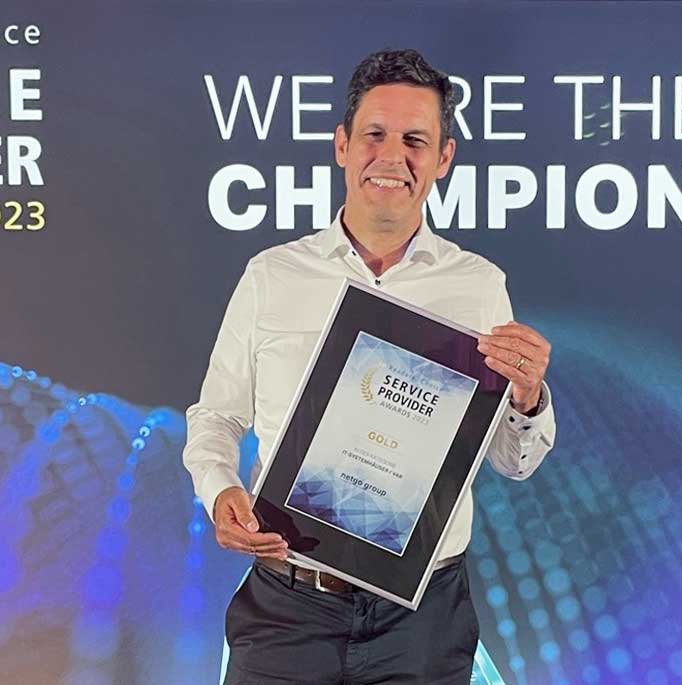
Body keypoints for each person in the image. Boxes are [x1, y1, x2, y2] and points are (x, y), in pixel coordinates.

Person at [183, 48, 557, 684]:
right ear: (342, 146)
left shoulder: (478, 287)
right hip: (287, 606)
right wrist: (220, 491)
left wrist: (527, 398)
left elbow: (512, 461)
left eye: (415, 140)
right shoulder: (273, 276)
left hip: (422, 623)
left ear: (443, 158)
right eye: (374, 135)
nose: (392, 157)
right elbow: (216, 417)